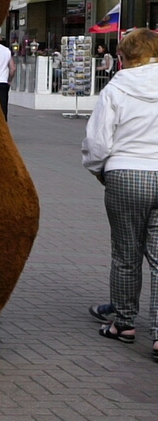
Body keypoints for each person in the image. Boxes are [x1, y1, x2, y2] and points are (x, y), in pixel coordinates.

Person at [81, 28, 158, 364]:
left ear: (124, 57)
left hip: (126, 173)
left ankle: (124, 323)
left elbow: (98, 142)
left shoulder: (117, 87)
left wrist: (98, 169)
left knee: (126, 254)